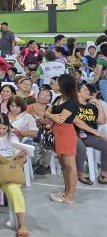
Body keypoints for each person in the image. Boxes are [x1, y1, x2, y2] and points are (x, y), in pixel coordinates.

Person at [46, 73, 80, 204]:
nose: (55, 84)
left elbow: (61, 118)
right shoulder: (58, 98)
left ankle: (70, 196)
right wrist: (52, 116)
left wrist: (52, 116)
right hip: (57, 132)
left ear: (64, 85)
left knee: (70, 166)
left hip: (66, 133)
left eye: (58, 82)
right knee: (63, 165)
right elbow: (46, 112)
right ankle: (66, 191)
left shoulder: (73, 102)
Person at [74, 83, 107, 185]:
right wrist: (97, 133)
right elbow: (78, 122)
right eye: (85, 90)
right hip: (75, 134)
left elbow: (102, 121)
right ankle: (81, 172)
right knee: (81, 148)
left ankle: (104, 172)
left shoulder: (91, 107)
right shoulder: (73, 105)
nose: (88, 92)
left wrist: (99, 104)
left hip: (89, 136)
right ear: (77, 93)